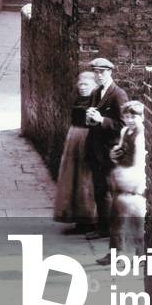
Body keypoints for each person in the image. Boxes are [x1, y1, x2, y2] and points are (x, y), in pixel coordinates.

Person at [84, 57, 128, 239]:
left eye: (102, 72)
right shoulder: (96, 93)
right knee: (99, 190)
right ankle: (103, 228)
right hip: (95, 150)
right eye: (96, 72)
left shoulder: (118, 94)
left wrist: (101, 120)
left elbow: (123, 125)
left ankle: (109, 230)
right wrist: (90, 118)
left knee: (108, 191)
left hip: (109, 151)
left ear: (110, 72)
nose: (99, 75)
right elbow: (91, 120)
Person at [97, 101, 146, 264]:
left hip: (134, 183)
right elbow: (119, 150)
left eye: (133, 117)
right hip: (121, 179)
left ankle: (141, 255)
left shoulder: (141, 136)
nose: (129, 120)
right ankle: (116, 252)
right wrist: (113, 155)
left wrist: (136, 184)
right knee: (116, 218)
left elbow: (140, 161)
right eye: (126, 117)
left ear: (142, 117)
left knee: (137, 222)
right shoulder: (125, 131)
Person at [53, 71, 99, 232]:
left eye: (87, 84)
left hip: (88, 141)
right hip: (74, 141)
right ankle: (79, 218)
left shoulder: (98, 102)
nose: (82, 87)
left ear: (95, 86)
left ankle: (90, 219)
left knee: (86, 180)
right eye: (80, 84)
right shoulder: (79, 100)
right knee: (73, 179)